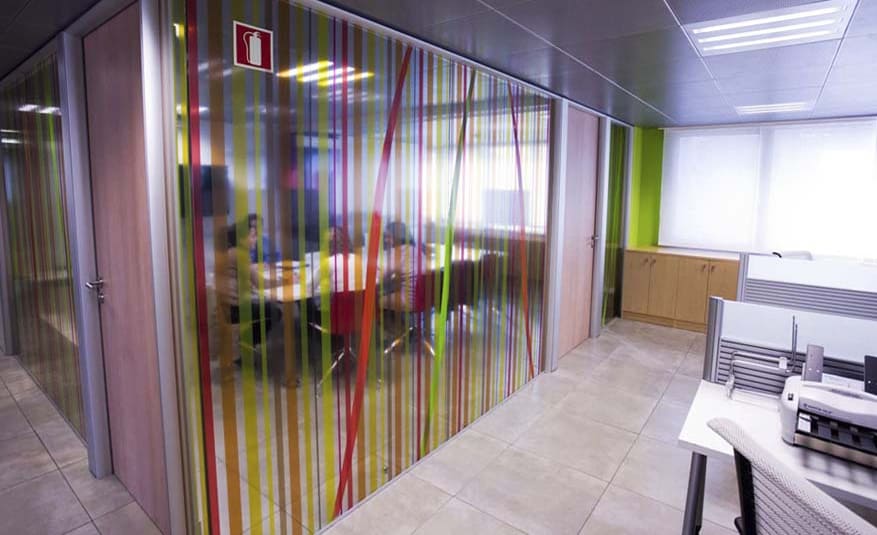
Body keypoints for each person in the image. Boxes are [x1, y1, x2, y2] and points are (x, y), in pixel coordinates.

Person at [218, 215, 286, 365]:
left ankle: (244, 343)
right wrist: (287, 280)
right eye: (253, 236)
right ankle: (245, 343)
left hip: (228, 307)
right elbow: (261, 283)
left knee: (267, 306)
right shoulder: (240, 255)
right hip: (235, 309)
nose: (256, 239)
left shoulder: (232, 252)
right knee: (274, 311)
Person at [380, 221, 425, 310]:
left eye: (388, 236)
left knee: (376, 299)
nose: (386, 240)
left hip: (409, 301)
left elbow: (382, 278)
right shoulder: (417, 250)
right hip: (424, 299)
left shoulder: (397, 252)